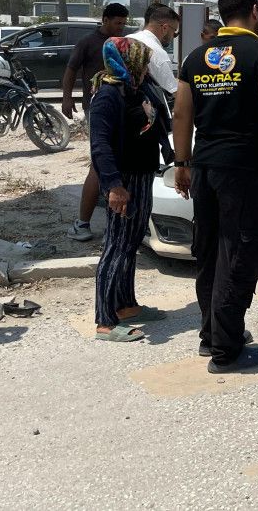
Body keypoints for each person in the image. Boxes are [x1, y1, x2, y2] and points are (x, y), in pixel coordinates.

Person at [172, 0, 258, 373]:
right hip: (247, 170)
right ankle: (226, 351)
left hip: (205, 168)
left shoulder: (196, 57)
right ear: (255, 11)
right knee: (241, 253)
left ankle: (212, 335)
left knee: (211, 252)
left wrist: (182, 163)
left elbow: (181, 114)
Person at [89, 36, 171, 341]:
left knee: (130, 244)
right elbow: (99, 145)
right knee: (117, 246)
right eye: (143, 61)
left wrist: (172, 155)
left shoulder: (136, 87)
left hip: (142, 175)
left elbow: (157, 124)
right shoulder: (108, 94)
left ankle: (126, 306)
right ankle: (105, 321)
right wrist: (114, 186)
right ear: (128, 62)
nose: (147, 67)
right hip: (123, 180)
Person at [62, 3, 129, 241]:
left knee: (113, 161)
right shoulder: (88, 42)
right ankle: (83, 223)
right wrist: (67, 98)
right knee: (100, 163)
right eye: (117, 23)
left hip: (121, 108)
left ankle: (115, 225)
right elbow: (71, 70)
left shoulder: (123, 43)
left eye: (124, 23)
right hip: (97, 108)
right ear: (105, 20)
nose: (121, 27)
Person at [130, 3, 180, 118]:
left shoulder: (128, 39)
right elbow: (173, 92)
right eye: (174, 32)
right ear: (165, 28)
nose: (173, 36)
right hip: (144, 116)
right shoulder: (158, 53)